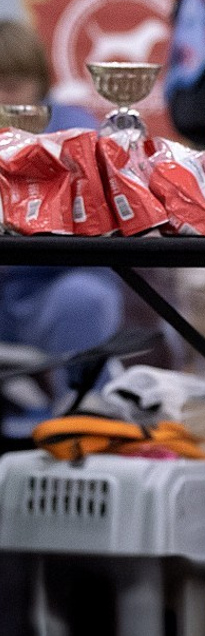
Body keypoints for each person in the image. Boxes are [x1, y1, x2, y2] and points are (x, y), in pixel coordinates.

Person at [0, 20, 121, 393]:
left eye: (12, 85)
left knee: (84, 298)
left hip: (52, 287)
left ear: (40, 81)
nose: (2, 98)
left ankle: (83, 412)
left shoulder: (74, 131)